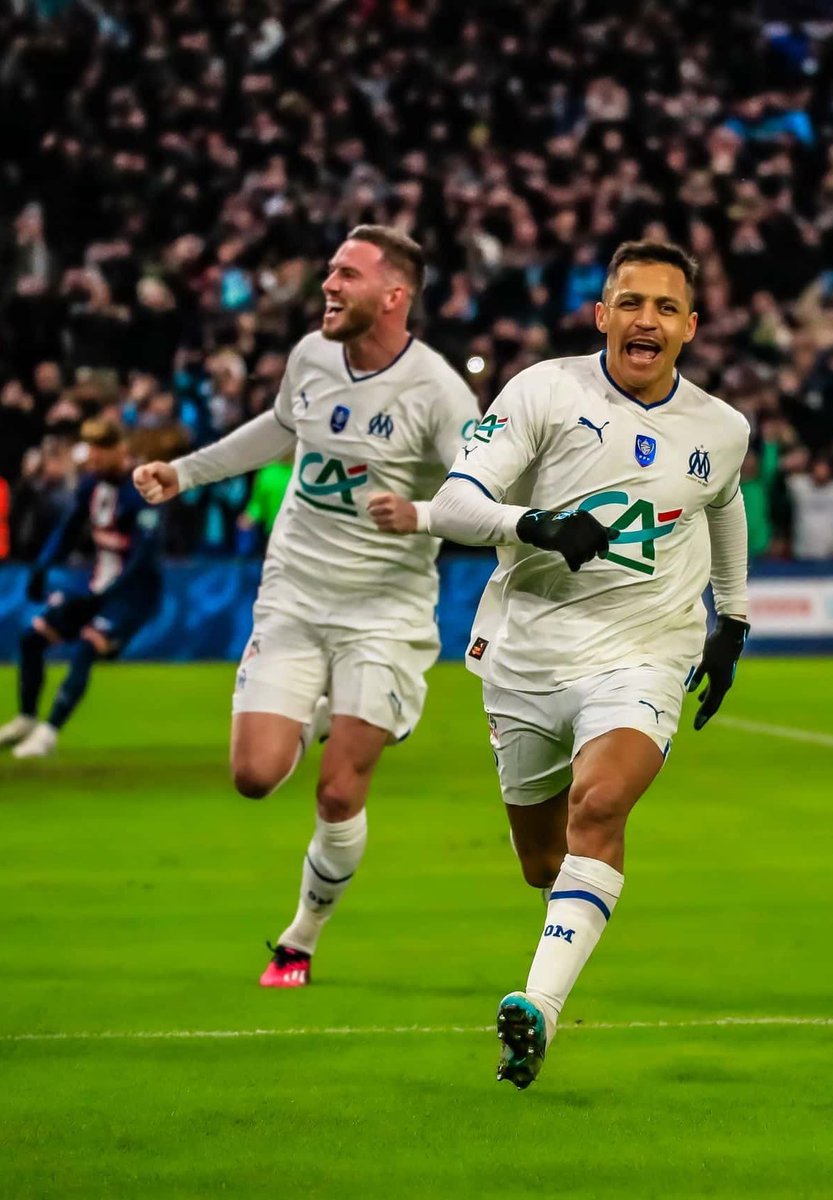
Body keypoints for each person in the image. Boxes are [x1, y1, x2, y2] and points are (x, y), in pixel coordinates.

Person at [415, 240, 751, 1088]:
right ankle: (569, 924)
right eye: (631, 303)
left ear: (690, 328)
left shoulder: (722, 427)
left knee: (599, 807)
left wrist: (732, 618)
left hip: (646, 648)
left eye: (666, 308)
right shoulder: (544, 390)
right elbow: (454, 505)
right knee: (544, 862)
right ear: (601, 315)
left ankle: (538, 1009)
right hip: (528, 648)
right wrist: (535, 525)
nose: (648, 320)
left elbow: (725, 500)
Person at [132, 226, 479, 986]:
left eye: (346, 274)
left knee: (337, 787)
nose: (328, 283)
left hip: (383, 612)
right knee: (255, 776)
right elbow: (281, 429)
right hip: (295, 590)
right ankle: (319, 709)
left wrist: (420, 512)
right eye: (329, 270)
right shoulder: (311, 357)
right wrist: (185, 474)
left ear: (393, 296)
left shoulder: (439, 392)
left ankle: (301, 937)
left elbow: (478, 495)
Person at [0, 419, 163, 758]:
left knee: (87, 645)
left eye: (100, 451)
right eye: (90, 452)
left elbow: (143, 556)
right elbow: (68, 527)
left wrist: (111, 594)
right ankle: (27, 719)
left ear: (120, 450)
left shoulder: (142, 489)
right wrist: (42, 566)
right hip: (97, 585)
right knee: (33, 639)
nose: (92, 459)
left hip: (133, 594)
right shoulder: (92, 485)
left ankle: (49, 733)